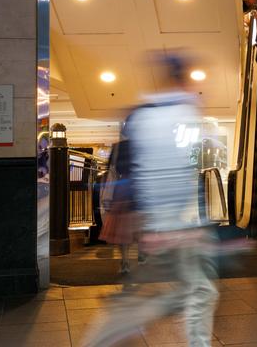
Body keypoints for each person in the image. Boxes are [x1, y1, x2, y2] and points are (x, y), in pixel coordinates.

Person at [83, 52, 219, 347]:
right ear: (179, 80)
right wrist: (177, 224)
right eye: (187, 78)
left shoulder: (149, 113)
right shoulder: (173, 115)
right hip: (168, 224)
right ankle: (99, 339)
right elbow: (166, 171)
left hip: (165, 223)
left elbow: (169, 169)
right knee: (186, 293)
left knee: (195, 290)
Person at [99, 134, 136, 274]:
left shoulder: (116, 148)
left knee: (120, 230)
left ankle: (125, 260)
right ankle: (138, 255)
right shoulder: (139, 147)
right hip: (136, 191)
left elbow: (110, 169)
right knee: (134, 228)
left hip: (120, 191)